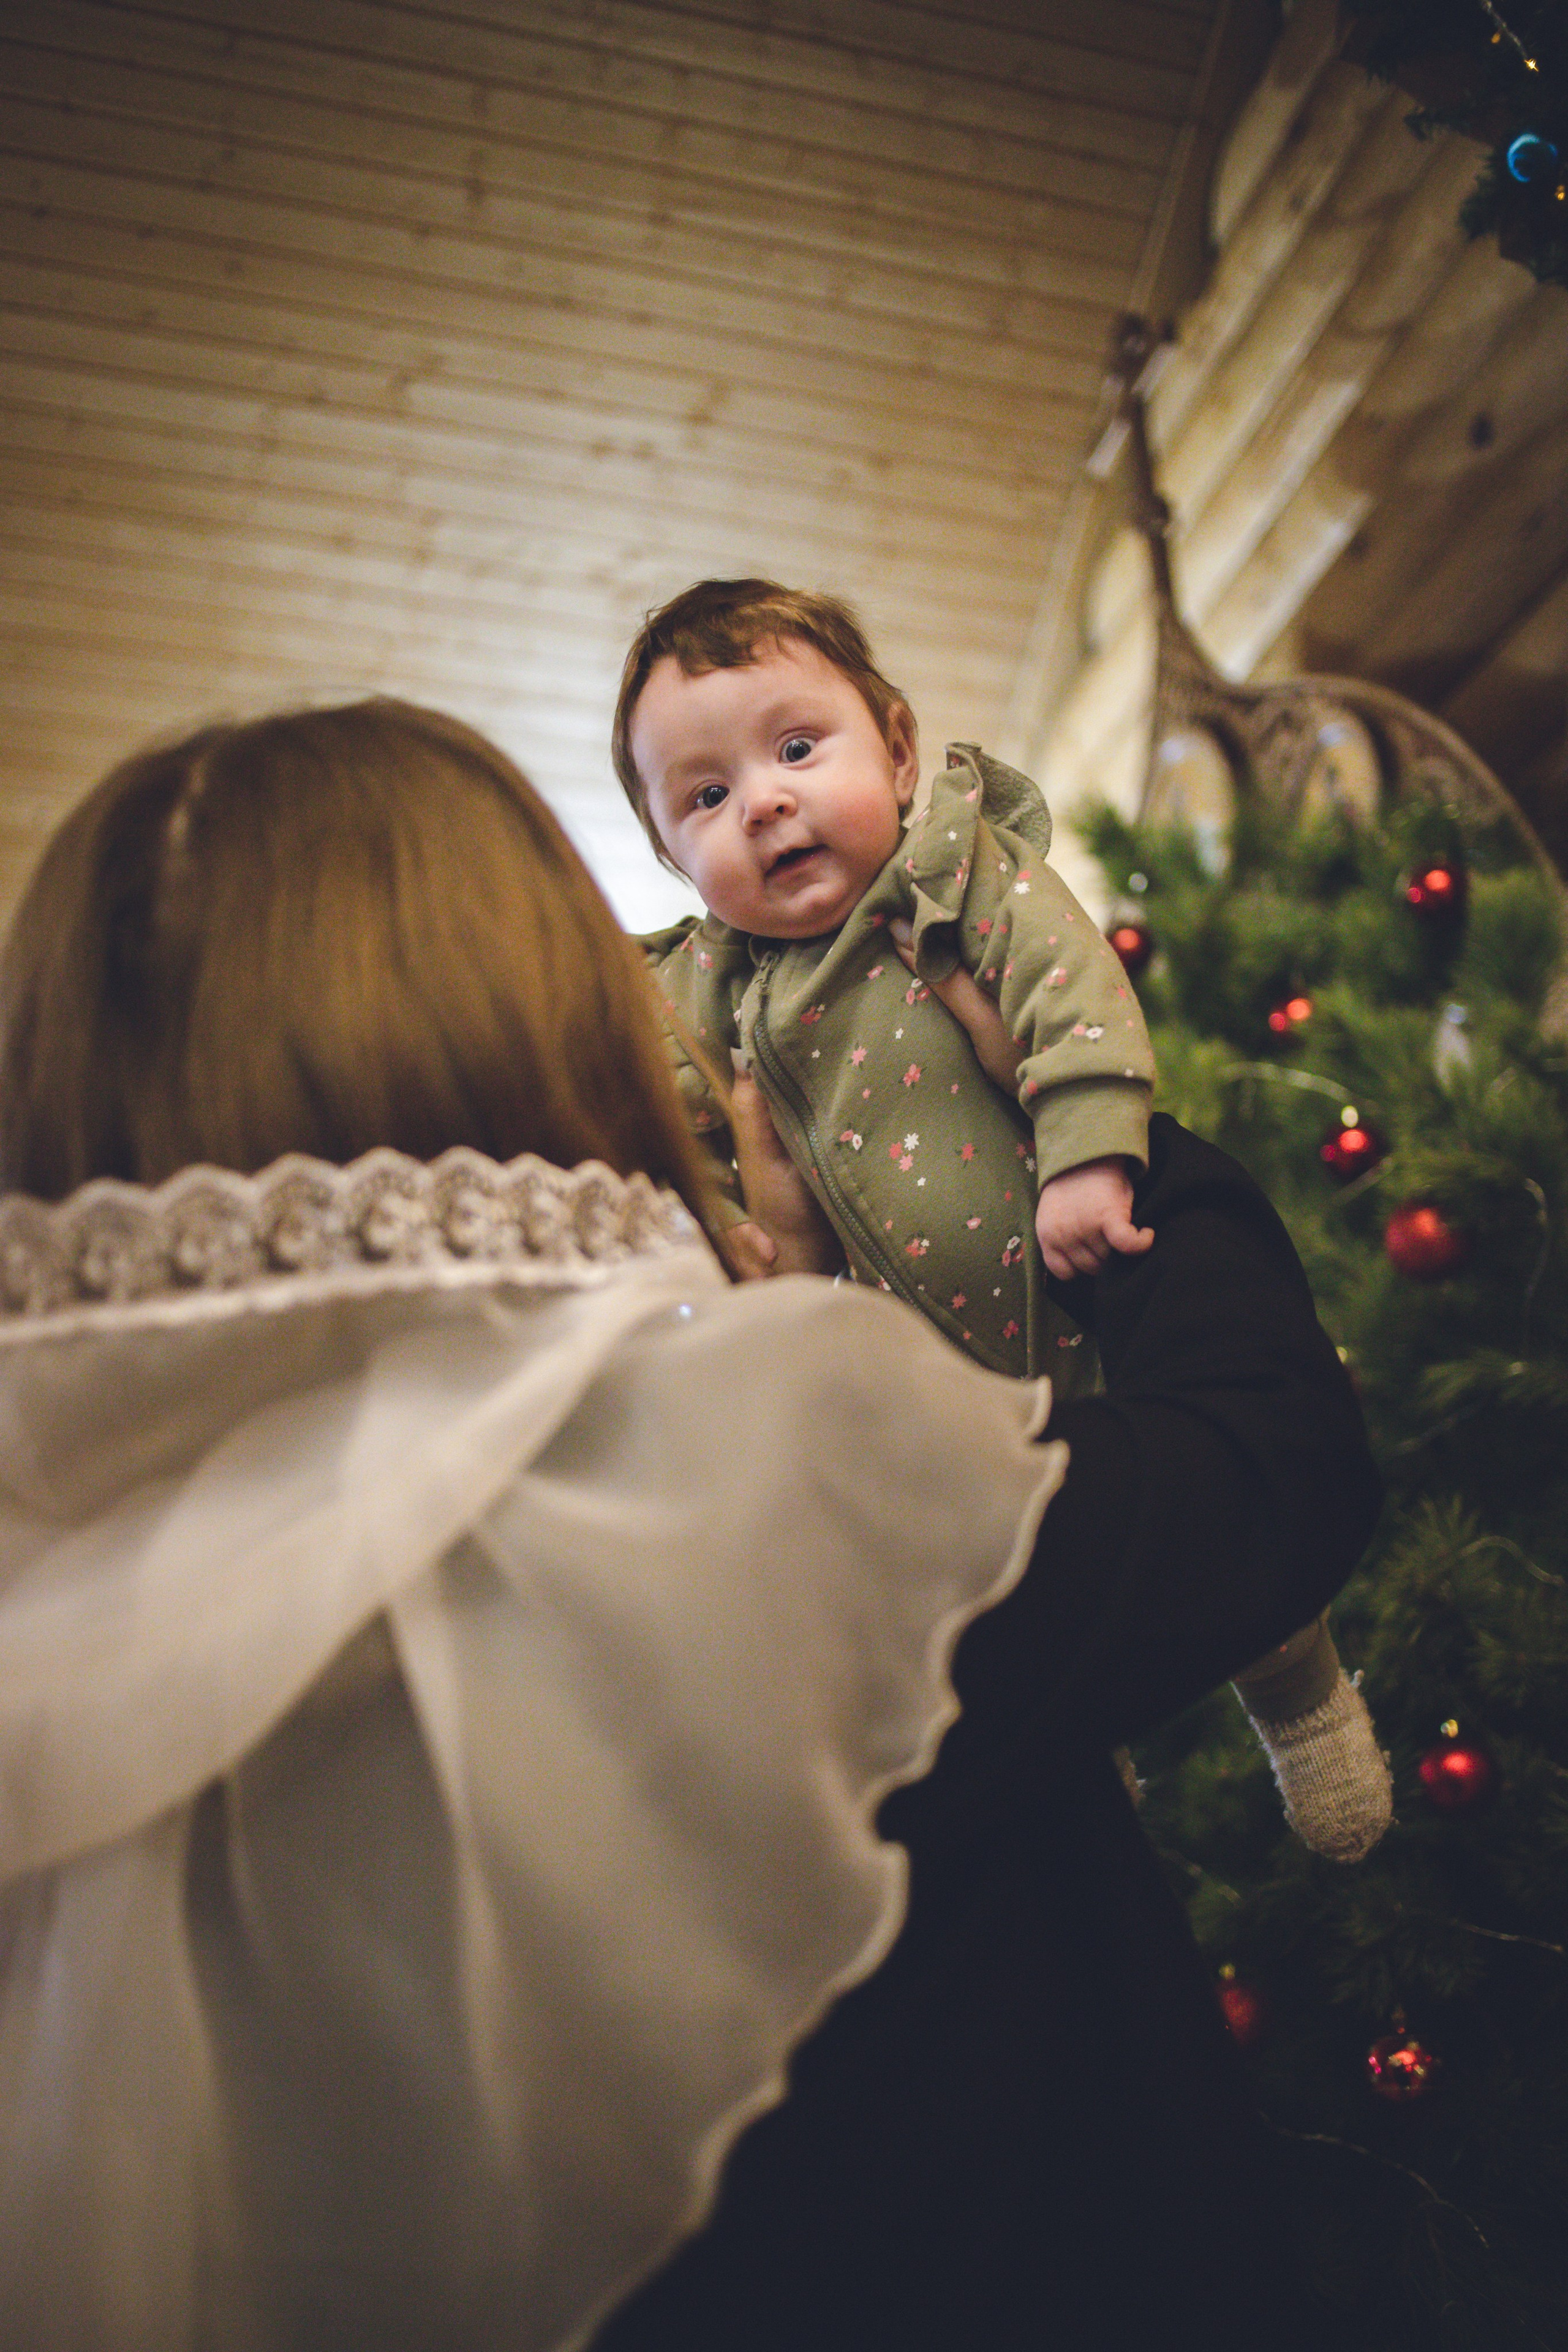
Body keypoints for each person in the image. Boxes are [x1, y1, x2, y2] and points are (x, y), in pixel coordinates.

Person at [0, 698, 1380, 2352]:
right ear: (553, 1024)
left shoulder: (52, 1622)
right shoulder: (776, 1477)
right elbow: (1262, 1468)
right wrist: (1084, 1132)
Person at [613, 576, 1392, 1865]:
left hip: (1077, 1287)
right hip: (937, 1380)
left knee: (1212, 1533)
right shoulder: (721, 995)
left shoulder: (951, 876)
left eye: (797, 748)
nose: (761, 800)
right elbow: (683, 1130)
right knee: (1030, 1590)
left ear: (900, 748)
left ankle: (1302, 1699)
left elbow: (1066, 992)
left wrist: (1086, 1149)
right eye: (703, 797)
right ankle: (1094, 1795)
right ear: (666, 856)